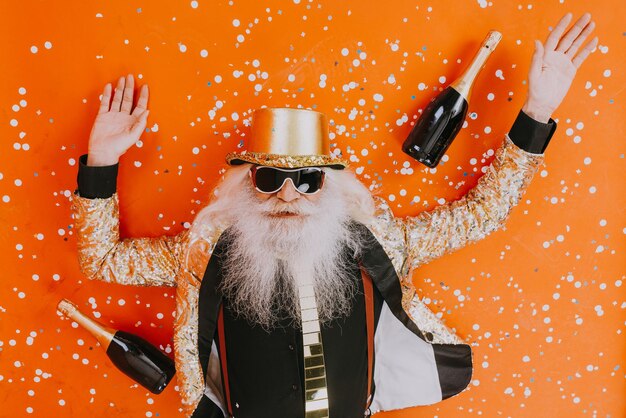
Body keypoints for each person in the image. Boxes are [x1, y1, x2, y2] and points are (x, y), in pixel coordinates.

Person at [70, 13, 597, 418]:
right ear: (245, 185)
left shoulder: (375, 244)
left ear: (331, 186)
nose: (288, 196)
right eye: (269, 178)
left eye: (308, 180)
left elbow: (484, 215)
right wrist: (102, 161)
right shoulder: (204, 255)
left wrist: (538, 110)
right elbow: (101, 262)